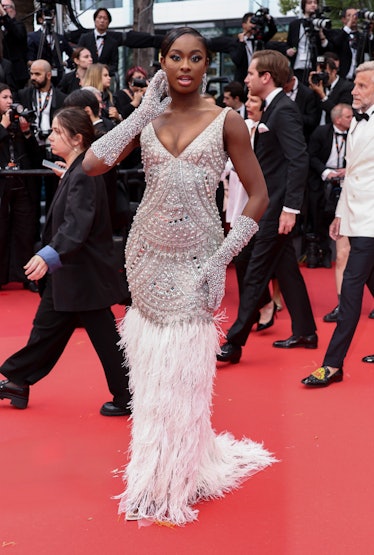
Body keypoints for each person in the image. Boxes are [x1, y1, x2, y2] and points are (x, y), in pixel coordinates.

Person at [83, 26, 274, 525]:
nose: (184, 66)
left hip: (199, 260)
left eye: (195, 58)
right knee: (149, 375)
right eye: (175, 57)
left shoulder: (227, 121)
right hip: (145, 256)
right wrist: (140, 115)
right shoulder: (148, 119)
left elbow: (258, 195)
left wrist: (223, 257)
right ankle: (151, 470)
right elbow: (92, 163)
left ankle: (179, 477)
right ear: (162, 63)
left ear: (208, 64)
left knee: (184, 375)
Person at [0, 106, 131, 415]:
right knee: (47, 329)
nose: (51, 137)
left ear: (77, 139)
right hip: (74, 273)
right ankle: (17, 379)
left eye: (58, 132)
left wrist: (49, 255)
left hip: (82, 272)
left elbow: (77, 225)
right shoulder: (78, 169)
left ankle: (128, 395)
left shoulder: (84, 172)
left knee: (104, 339)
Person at [218, 50, 317, 365]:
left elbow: (298, 159)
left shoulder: (283, 111)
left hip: (276, 208)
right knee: (284, 269)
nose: (245, 79)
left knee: (255, 270)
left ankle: (234, 343)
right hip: (267, 205)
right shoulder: (274, 109)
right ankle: (305, 331)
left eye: (250, 73)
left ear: (266, 77)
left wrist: (290, 208)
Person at [301, 61, 374, 387]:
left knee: (352, 290)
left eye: (361, 86)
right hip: (357, 213)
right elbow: (355, 174)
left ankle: (332, 364)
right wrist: (341, 213)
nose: (353, 91)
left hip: (372, 220)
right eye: (355, 85)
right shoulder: (359, 122)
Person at [0, 83, 40, 292]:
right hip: (2, 185)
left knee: (25, 230)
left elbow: (36, 156)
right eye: (5, 97)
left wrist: (26, 133)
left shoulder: (19, 124)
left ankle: (27, 276)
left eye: (11, 97)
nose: (10, 101)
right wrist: (3, 127)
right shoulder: (3, 125)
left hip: (23, 183)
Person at [306, 103, 353, 269]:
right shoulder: (321, 132)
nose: (352, 119)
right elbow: (311, 156)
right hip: (322, 180)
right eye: (348, 117)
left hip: (347, 179)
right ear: (338, 119)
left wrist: (348, 170)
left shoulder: (355, 133)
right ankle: (321, 252)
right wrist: (326, 172)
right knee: (320, 216)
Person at [286, 0, 330, 84]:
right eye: (309, 3)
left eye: (315, 3)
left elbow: (326, 47)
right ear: (303, 5)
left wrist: (321, 33)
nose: (313, 5)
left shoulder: (321, 23)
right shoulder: (294, 24)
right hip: (297, 66)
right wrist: (289, 50)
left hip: (314, 66)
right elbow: (288, 44)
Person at [78, 8, 118, 76]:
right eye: (99, 17)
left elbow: (114, 65)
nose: (102, 21)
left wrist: (102, 71)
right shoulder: (84, 38)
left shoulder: (113, 43)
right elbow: (78, 56)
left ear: (108, 22)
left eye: (105, 18)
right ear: (95, 20)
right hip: (86, 76)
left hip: (103, 79)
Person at [0, 0, 29, 89]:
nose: (3, 9)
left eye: (6, 7)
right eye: (2, 6)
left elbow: (17, 34)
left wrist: (5, 15)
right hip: (3, 70)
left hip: (17, 73)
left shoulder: (19, 25)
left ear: (13, 10)